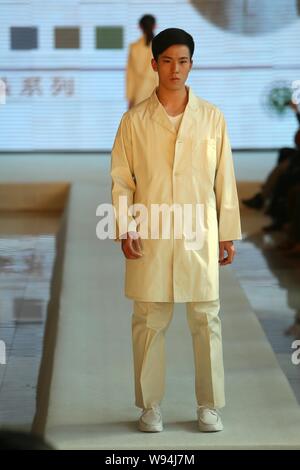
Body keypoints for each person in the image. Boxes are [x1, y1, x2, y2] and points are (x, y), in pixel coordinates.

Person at [111, 28, 241, 433]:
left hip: (197, 233)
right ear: (154, 65)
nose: (175, 69)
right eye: (166, 60)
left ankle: (210, 405)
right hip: (151, 231)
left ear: (191, 64)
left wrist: (226, 232)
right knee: (149, 319)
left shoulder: (212, 118)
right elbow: (122, 181)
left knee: (207, 318)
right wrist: (123, 226)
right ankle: (150, 406)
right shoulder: (134, 122)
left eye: (182, 61)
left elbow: (225, 181)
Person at [126, 14, 158, 109]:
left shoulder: (134, 47)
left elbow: (130, 75)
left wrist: (130, 99)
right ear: (155, 26)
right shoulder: (162, 46)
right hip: (159, 97)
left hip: (139, 97)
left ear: (140, 27)